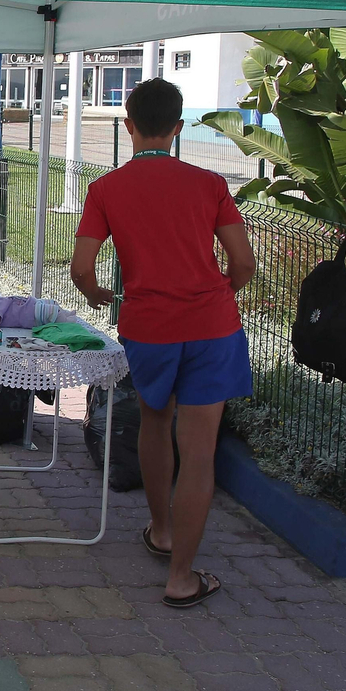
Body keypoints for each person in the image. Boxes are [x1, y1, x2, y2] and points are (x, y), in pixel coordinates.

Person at [70, 77, 255, 609]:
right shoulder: (209, 184)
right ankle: (181, 578)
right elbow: (243, 263)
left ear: (128, 126)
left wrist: (101, 293)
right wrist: (219, 293)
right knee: (199, 454)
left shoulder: (106, 189)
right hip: (212, 327)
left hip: (148, 326)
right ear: (178, 128)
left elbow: (82, 267)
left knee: (155, 419)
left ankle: (161, 528)